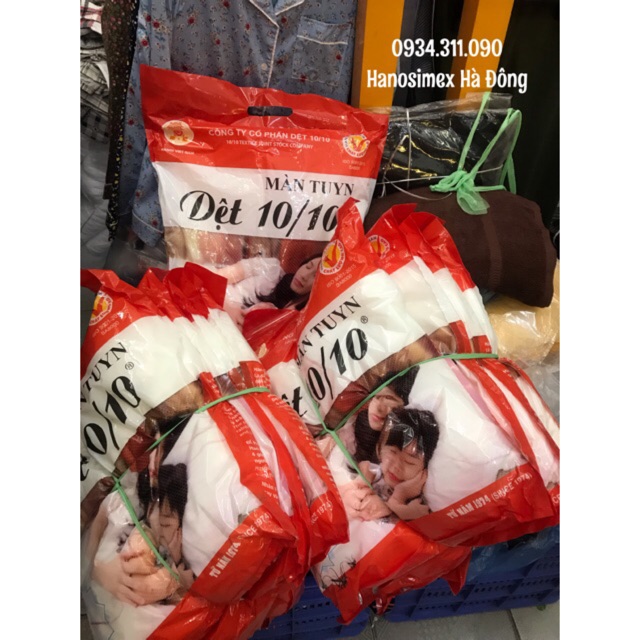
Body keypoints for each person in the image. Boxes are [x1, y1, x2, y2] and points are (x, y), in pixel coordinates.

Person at [349, 407, 440, 521]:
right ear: (379, 449)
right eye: (392, 452)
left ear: (424, 469)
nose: (396, 466)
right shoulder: (371, 473)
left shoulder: (418, 502)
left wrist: (400, 497)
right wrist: (363, 478)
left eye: (409, 462)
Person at [215, 253, 322, 328]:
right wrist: (228, 307)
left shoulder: (295, 314)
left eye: (315, 277)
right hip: (213, 306)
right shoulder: (271, 267)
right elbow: (216, 277)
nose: (304, 276)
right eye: (308, 266)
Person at [352, 367, 419, 464]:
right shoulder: (358, 426)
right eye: (376, 396)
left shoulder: (411, 446)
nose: (378, 408)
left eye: (388, 398)